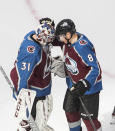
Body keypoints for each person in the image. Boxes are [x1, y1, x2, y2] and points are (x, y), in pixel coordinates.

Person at [53, 19, 103, 131]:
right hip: (73, 84)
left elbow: (95, 69)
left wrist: (85, 83)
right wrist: (46, 29)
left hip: (90, 87)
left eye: (60, 36)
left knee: (89, 119)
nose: (59, 39)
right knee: (70, 111)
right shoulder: (66, 41)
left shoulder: (82, 47)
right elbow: (51, 40)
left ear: (68, 34)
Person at [10, 17, 55, 131]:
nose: (50, 42)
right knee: (31, 124)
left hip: (41, 88)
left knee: (39, 121)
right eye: (48, 39)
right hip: (35, 93)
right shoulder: (31, 52)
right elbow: (22, 76)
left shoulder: (34, 34)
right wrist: (22, 96)